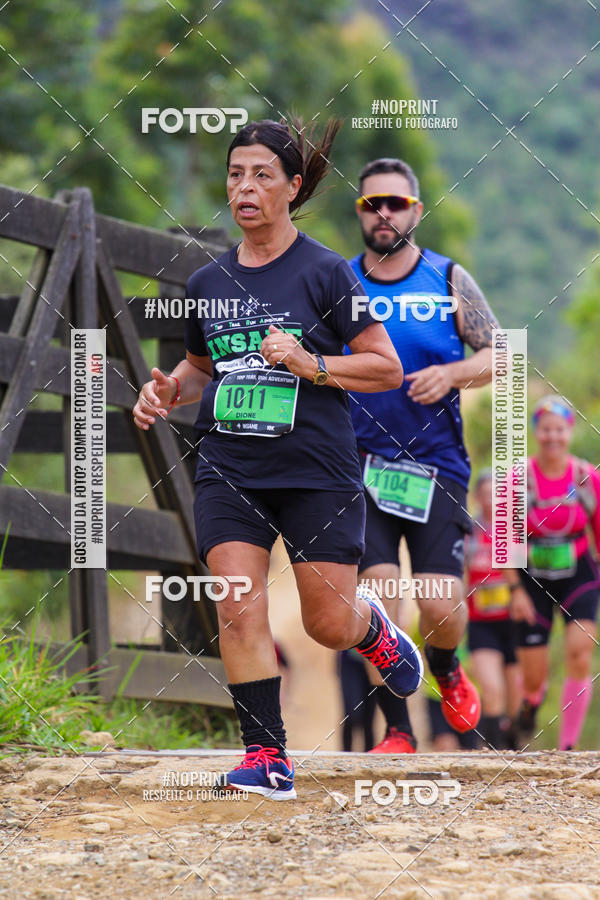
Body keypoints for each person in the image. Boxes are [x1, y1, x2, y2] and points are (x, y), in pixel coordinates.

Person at [133, 120, 423, 799]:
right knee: (237, 603)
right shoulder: (206, 280)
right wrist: (172, 391)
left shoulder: (325, 273)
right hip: (230, 467)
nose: (245, 187)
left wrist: (310, 362)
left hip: (317, 470)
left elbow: (385, 367)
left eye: (262, 174)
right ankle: (267, 757)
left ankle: (371, 626)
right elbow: (202, 368)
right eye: (236, 174)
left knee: (327, 623)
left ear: (293, 187)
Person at [348, 157, 500, 753]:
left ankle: (446, 666)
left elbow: (501, 355)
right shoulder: (340, 282)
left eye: (395, 203)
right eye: (370, 205)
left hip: (437, 466)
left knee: (440, 604)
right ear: (360, 214)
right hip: (360, 468)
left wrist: (454, 373)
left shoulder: (448, 278)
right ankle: (399, 729)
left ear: (415, 210)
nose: (383, 213)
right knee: (381, 601)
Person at [508, 395, 600, 750]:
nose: (553, 437)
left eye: (559, 430)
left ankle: (568, 748)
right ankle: (530, 706)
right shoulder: (518, 479)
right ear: (536, 432)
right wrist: (515, 589)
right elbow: (506, 542)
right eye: (546, 430)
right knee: (534, 678)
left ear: (570, 432)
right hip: (532, 577)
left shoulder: (587, 477)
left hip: (579, 572)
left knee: (580, 653)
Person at [465, 470, 521, 750]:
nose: (490, 500)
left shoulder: (515, 531)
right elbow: (460, 578)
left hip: (513, 623)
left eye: (495, 494)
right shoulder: (468, 532)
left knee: (516, 698)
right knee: (492, 689)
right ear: (476, 496)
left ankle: (513, 748)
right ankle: (489, 752)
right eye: (485, 494)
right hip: (481, 623)